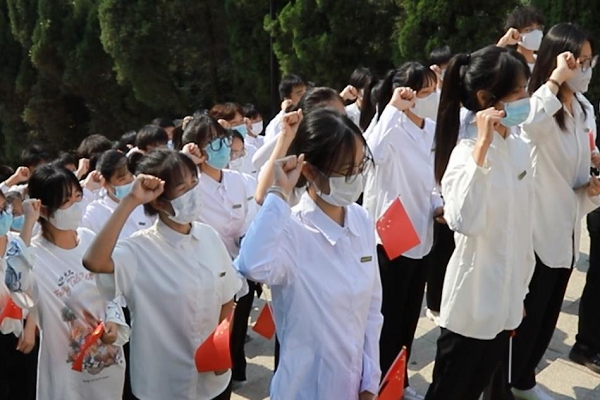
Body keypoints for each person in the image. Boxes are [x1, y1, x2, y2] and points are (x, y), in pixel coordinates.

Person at [235, 108, 382, 400]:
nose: (355, 178)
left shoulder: (361, 219)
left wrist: (370, 381)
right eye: (345, 170)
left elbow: (371, 310)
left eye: (359, 166)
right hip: (303, 388)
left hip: (353, 386)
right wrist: (279, 193)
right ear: (311, 170)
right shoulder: (291, 230)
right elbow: (251, 264)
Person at [489, 23, 600, 400]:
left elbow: (580, 166)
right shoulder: (539, 102)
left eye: (590, 60)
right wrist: (554, 79)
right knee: (526, 318)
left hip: (567, 229)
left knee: (547, 317)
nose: (585, 68)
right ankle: (505, 386)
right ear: (558, 61)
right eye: (579, 60)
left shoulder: (582, 108)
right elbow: (528, 123)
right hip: (535, 234)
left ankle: (524, 380)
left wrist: (591, 184)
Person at [82, 149, 242, 400]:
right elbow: (94, 261)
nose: (193, 193)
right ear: (158, 201)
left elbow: (227, 298)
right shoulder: (138, 250)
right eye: (182, 188)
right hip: (161, 385)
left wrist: (221, 348)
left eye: (194, 183)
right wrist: (131, 200)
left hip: (212, 382)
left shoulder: (209, 237)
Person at [423, 44, 535, 400]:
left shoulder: (518, 148)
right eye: (519, 91)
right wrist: (482, 150)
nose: (527, 98)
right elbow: (464, 220)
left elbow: (521, 226)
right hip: (471, 307)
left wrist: (519, 290)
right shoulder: (464, 154)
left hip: (505, 304)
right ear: (487, 99)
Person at [4, 165, 128, 400]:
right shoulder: (34, 255)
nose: (76, 206)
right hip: (65, 375)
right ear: (44, 209)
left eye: (77, 197)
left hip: (107, 363)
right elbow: (16, 285)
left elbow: (111, 290)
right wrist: (28, 223)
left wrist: (114, 320)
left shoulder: (89, 239)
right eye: (66, 202)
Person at [362, 62, 440, 400]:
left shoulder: (432, 129)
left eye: (433, 90)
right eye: (423, 92)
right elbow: (370, 154)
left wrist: (439, 203)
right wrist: (392, 109)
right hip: (391, 237)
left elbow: (434, 179)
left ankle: (399, 382)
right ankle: (378, 384)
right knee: (387, 319)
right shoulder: (389, 125)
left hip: (422, 232)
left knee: (409, 317)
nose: (429, 98)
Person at [181, 115, 257, 390]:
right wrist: (185, 162)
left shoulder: (239, 180)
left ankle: (233, 374)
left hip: (240, 269)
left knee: (236, 330)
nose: (222, 147)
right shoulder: (189, 186)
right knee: (208, 333)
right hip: (204, 274)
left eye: (222, 140)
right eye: (212, 142)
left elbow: (252, 216)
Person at [0, 191, 37, 400]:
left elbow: (34, 286)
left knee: (24, 389)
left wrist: (30, 326)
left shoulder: (19, 242)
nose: (3, 215)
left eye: (3, 208)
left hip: (23, 334)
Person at [81, 150, 153, 237]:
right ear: (105, 183)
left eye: (131, 176)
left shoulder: (145, 202)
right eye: (122, 179)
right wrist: (88, 190)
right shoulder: (94, 212)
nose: (130, 182)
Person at [210, 103, 258, 177]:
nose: (240, 126)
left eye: (241, 121)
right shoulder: (216, 155)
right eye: (234, 124)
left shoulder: (252, 150)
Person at [498, 6, 545, 72]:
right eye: (528, 29)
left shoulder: (543, 63)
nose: (536, 33)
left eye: (539, 28)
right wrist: (503, 41)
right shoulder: (509, 63)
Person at [264, 74, 308, 143]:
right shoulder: (277, 124)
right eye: (300, 94)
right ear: (287, 99)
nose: (305, 97)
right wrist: (283, 112)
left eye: (306, 93)